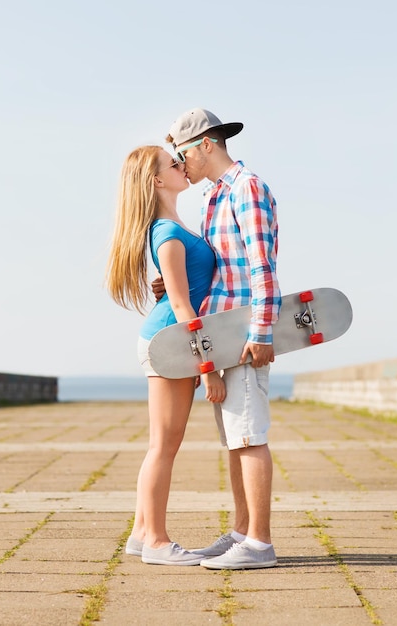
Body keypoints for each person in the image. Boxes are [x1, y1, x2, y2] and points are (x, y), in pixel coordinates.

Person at [156, 108, 281, 569]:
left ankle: (260, 544)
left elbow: (260, 265)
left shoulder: (246, 188)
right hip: (221, 332)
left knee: (248, 436)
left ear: (206, 145)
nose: (180, 161)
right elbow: (220, 269)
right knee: (235, 438)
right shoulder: (213, 198)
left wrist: (263, 331)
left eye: (183, 153)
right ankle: (242, 533)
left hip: (246, 333)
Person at [106, 145, 226, 566]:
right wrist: (207, 366)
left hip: (172, 342)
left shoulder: (173, 226)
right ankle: (156, 541)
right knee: (163, 446)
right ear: (157, 180)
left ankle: (142, 534)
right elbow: (181, 307)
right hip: (169, 343)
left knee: (164, 444)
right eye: (173, 164)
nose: (182, 165)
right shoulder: (168, 233)